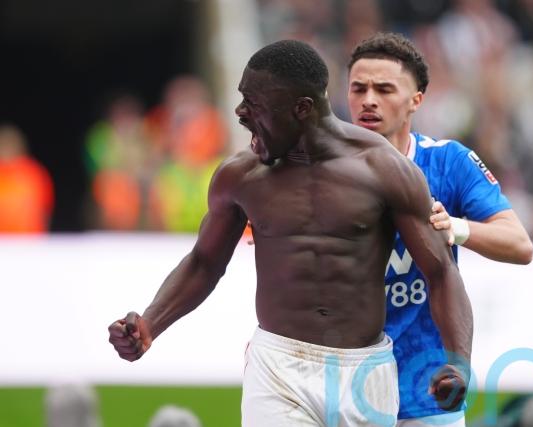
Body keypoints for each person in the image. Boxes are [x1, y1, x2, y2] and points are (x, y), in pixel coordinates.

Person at [108, 40, 473, 427]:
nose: (240, 113)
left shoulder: (383, 169)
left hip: (365, 373)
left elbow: (441, 272)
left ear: (302, 109)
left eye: (255, 104)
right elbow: (204, 263)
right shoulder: (240, 176)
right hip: (278, 368)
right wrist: (150, 325)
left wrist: (459, 362)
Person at [347, 32, 533, 426]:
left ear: (416, 100)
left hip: (427, 384)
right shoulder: (324, 171)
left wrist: (457, 228)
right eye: (358, 88)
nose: (368, 100)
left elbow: (519, 244)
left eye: (384, 89)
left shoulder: (448, 162)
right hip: (345, 383)